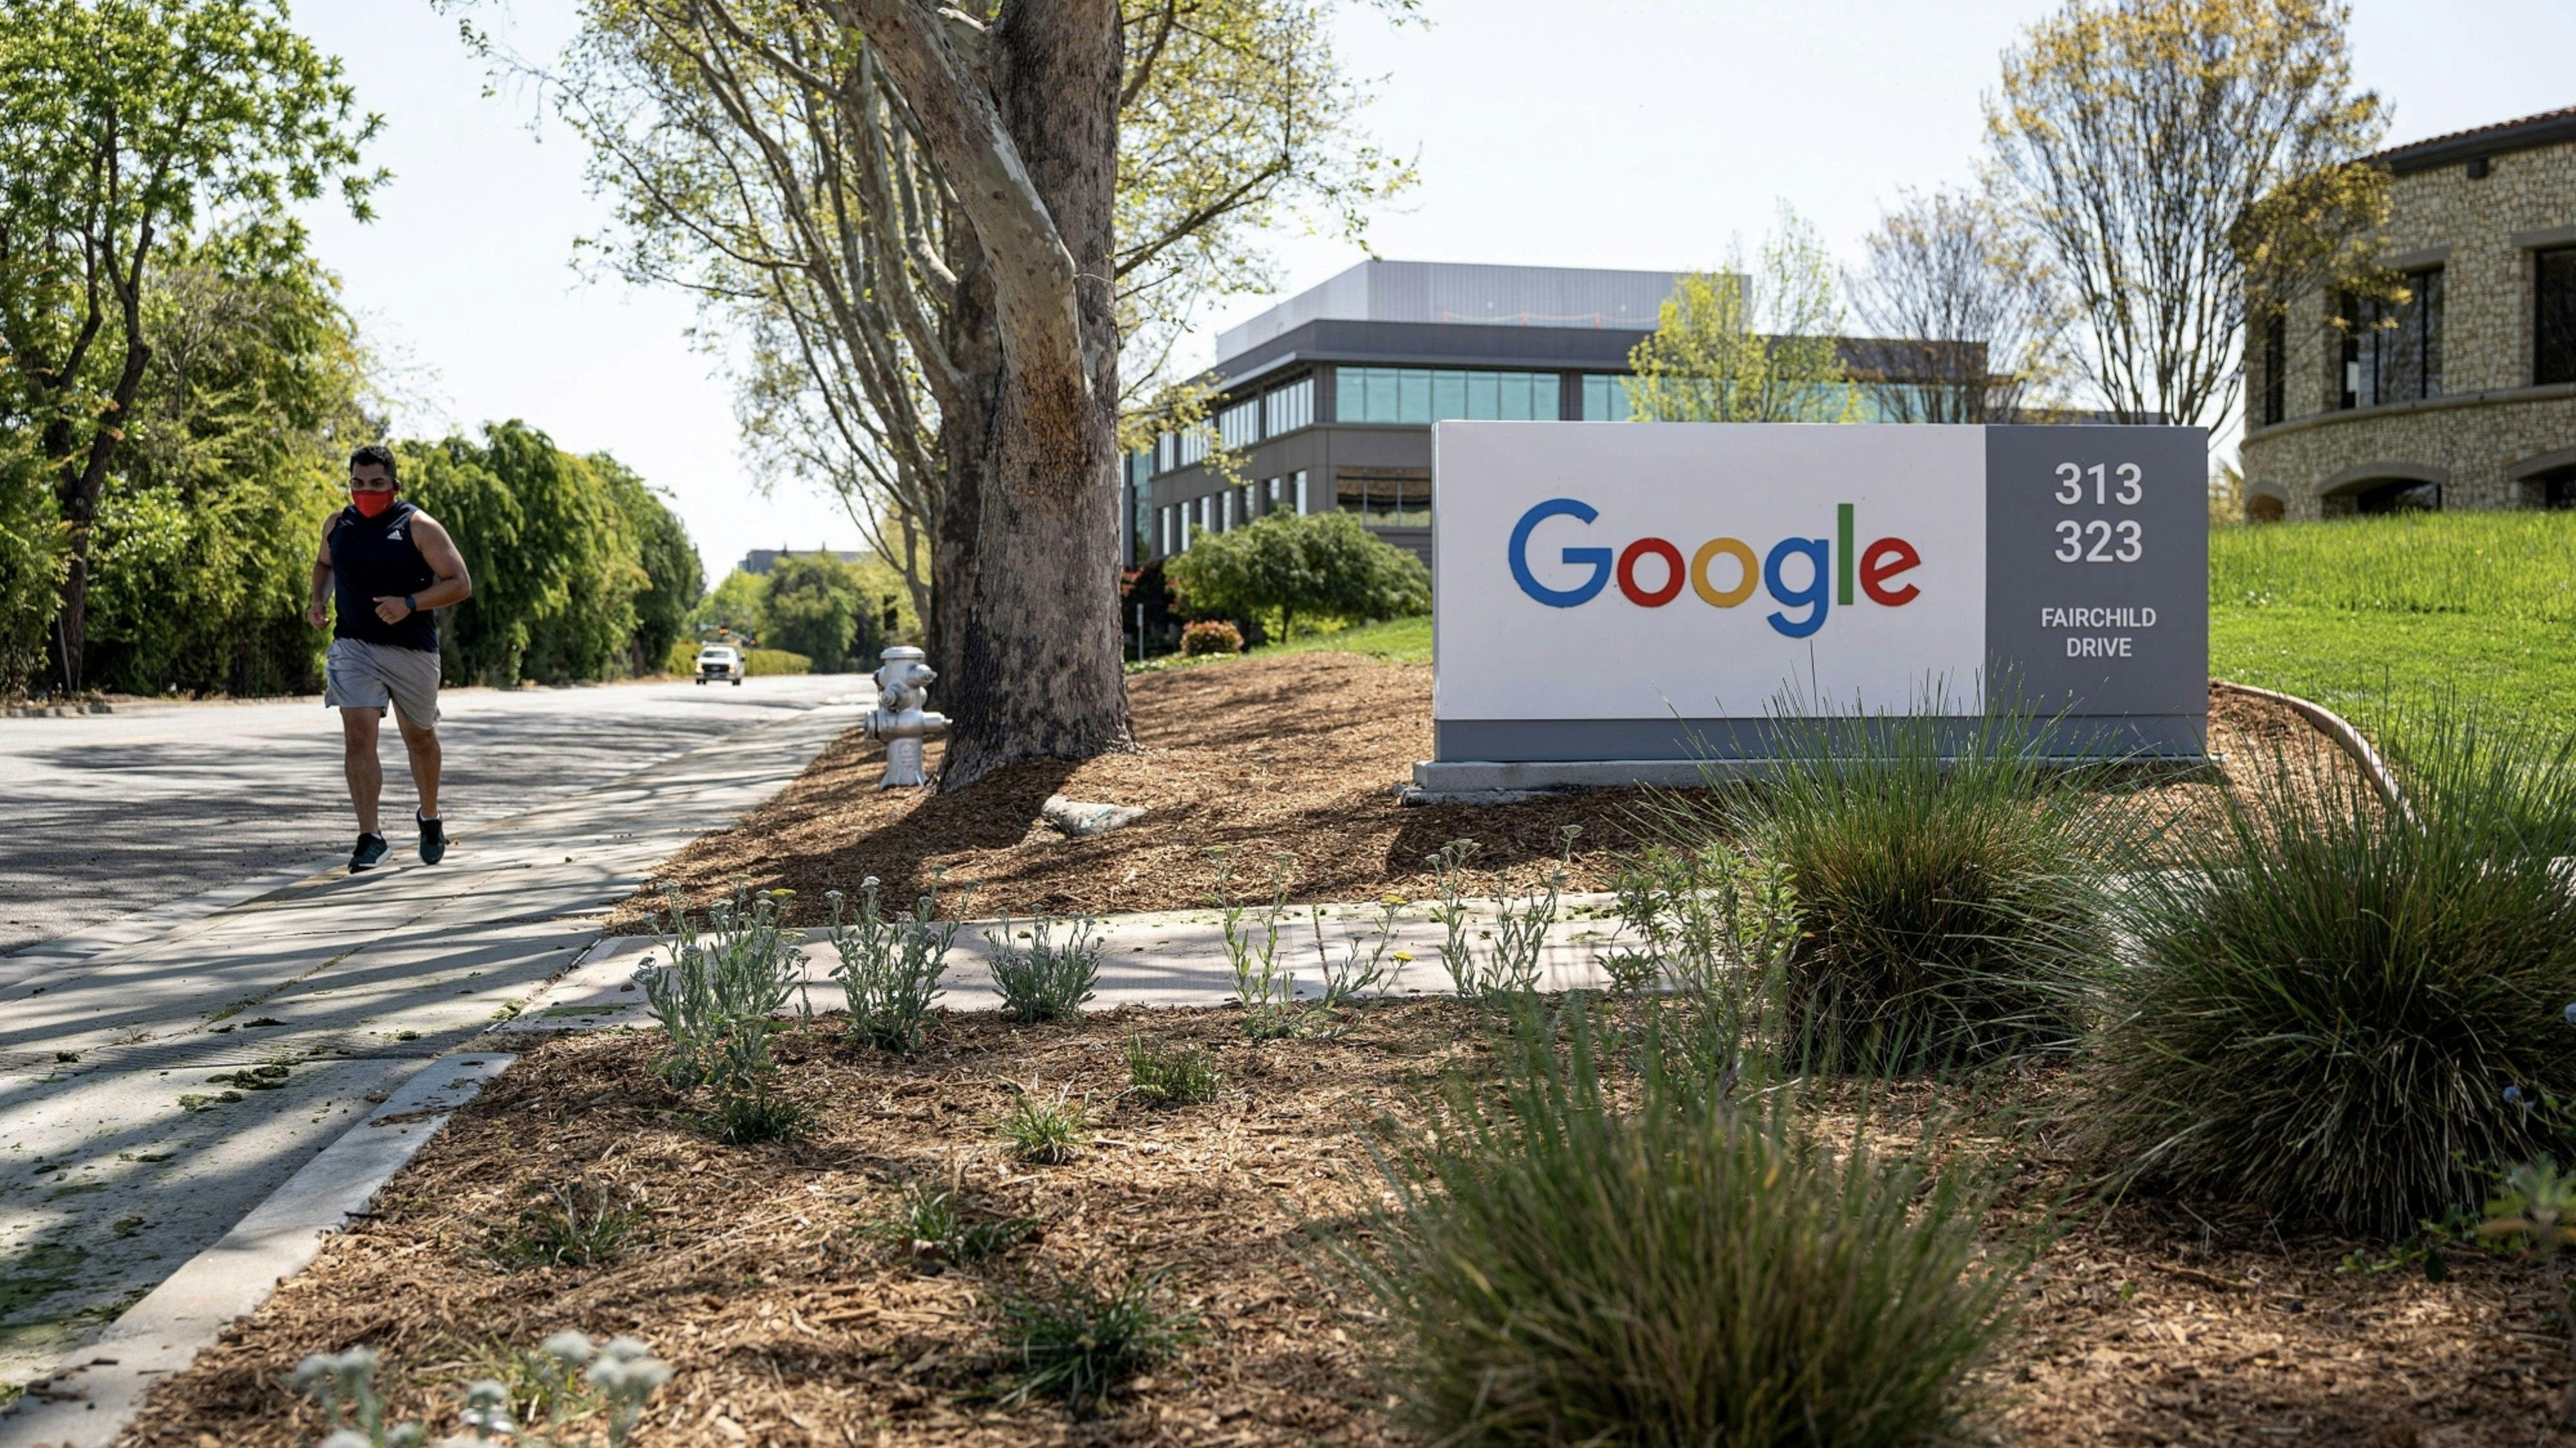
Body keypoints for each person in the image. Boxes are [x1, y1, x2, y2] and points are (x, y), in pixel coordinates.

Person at [307, 445, 473, 872]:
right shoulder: (337, 524)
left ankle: (430, 816)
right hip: (354, 646)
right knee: (358, 737)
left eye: (377, 484)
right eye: (358, 483)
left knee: (420, 738)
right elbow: (324, 564)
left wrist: (411, 602)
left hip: (412, 649)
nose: (366, 491)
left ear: (395, 485)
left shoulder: (419, 526)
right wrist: (317, 601)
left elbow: (460, 582)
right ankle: (370, 836)